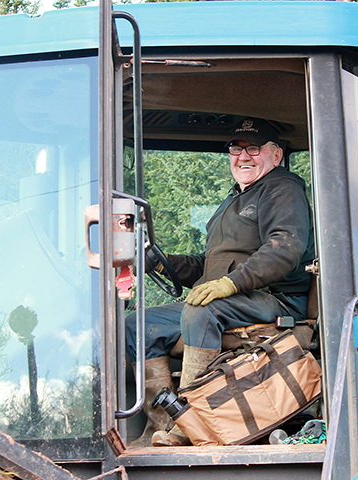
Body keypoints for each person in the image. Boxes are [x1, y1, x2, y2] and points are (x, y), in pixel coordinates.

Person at [126, 118, 315, 447]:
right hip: (235, 298)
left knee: (202, 312)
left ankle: (190, 424)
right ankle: (162, 425)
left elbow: (284, 248)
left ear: (276, 154)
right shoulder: (234, 200)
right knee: (140, 324)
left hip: (274, 299)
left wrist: (230, 284)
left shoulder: (283, 189)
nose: (243, 156)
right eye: (236, 149)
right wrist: (160, 261)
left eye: (253, 149)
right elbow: (209, 265)